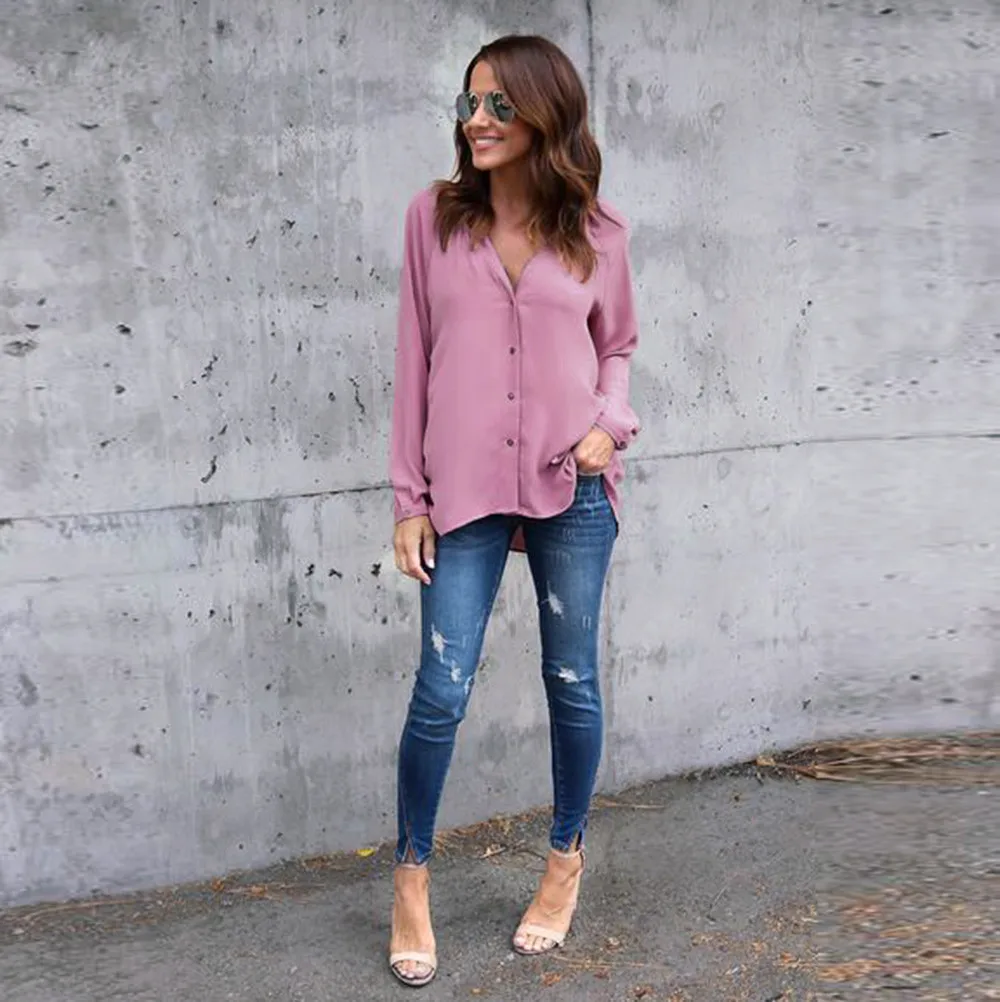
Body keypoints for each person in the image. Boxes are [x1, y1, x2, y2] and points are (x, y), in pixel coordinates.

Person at [387, 34, 640, 988]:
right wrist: (409, 498)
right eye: (470, 103)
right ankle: (411, 880)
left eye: (499, 104)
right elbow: (413, 359)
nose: (478, 121)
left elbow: (617, 348)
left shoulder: (599, 233)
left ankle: (565, 861)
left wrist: (608, 427)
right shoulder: (433, 219)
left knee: (571, 678)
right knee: (441, 689)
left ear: (546, 114)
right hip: (461, 492)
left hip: (573, 486)